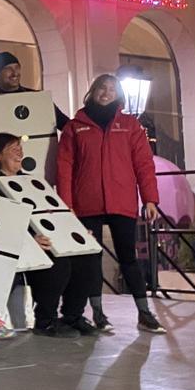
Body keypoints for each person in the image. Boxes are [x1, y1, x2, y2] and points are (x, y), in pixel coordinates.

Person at [57, 74, 165, 334]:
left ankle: (144, 313)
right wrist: (66, 204)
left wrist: (150, 198)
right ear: (93, 91)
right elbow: (64, 167)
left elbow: (144, 165)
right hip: (86, 203)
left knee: (129, 258)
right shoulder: (75, 126)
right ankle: (98, 315)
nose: (106, 93)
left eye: (112, 89)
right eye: (102, 88)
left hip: (121, 201)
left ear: (118, 95)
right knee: (90, 261)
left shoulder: (130, 125)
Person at [0, 133, 98, 338]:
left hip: (41, 238)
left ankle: (72, 316)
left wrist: (74, 232)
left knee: (86, 258)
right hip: (10, 244)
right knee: (57, 263)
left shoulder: (30, 183)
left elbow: (52, 212)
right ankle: (45, 320)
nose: (19, 152)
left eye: (20, 148)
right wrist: (29, 239)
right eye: (13, 148)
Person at [0, 51, 69, 130]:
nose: (14, 73)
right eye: (8, 69)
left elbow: (67, 126)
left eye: (17, 67)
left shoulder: (38, 98)